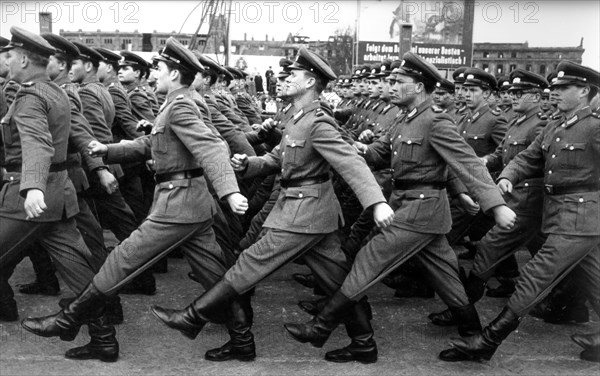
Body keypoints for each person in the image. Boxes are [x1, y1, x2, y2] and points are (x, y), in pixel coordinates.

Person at [150, 46, 395, 364]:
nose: (285, 78)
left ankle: (192, 317)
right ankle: (363, 342)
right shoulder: (298, 118)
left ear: (309, 82)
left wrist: (376, 202)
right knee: (338, 281)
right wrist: (248, 165)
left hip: (302, 214)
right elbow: (278, 158)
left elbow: (352, 163)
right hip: (311, 214)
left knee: (247, 264)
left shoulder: (319, 123)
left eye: (292, 74)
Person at [21, 37, 251, 361]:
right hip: (193, 203)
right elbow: (151, 143)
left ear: (173, 73)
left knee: (120, 259)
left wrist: (231, 190)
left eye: (158, 68)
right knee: (214, 274)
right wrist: (109, 149)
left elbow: (212, 147)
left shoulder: (182, 104)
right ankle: (243, 340)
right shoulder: (180, 102)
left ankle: (68, 317)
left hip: (178, 204)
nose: (153, 74)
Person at [283, 52, 516, 362]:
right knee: (446, 276)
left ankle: (321, 327)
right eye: (391, 81)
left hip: (419, 211)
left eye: (398, 82)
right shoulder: (402, 117)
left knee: (368, 257)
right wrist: (349, 144)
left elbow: (466, 163)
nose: (391, 86)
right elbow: (379, 153)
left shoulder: (435, 120)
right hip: (415, 210)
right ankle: (473, 337)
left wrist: (495, 206)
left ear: (419, 87)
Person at [440, 60, 600, 363]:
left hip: (581, 216)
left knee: (535, 276)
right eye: (554, 87)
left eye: (564, 88)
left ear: (584, 91)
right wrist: (507, 176)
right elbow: (527, 158)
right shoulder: (555, 125)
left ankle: (488, 341)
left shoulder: (594, 127)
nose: (555, 92)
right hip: (564, 215)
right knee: (593, 277)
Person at [1, 26, 118, 361]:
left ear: (23, 58)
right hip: (59, 194)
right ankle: (104, 339)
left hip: (27, 199)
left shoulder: (29, 98)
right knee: (77, 267)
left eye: (8, 54)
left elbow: (38, 144)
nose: (5, 60)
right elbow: (70, 136)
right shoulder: (55, 92)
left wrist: (33, 187)